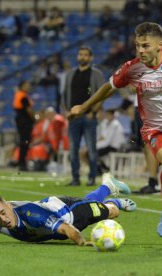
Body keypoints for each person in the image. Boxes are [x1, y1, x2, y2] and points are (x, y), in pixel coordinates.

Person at [68, 22, 162, 246]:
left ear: (159, 45)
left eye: (145, 45)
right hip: (155, 129)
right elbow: (108, 87)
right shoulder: (132, 68)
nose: (140, 50)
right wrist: (84, 107)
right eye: (137, 46)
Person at [0, 173, 135, 245]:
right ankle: (108, 185)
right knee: (90, 201)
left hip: (70, 212)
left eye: (2, 212)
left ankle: (115, 202)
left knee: (110, 212)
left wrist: (81, 241)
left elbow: (66, 229)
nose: (3, 219)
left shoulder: (31, 215)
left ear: (7, 203)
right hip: (60, 221)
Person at [62, 46, 105, 186]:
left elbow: (102, 94)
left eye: (86, 55)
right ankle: (75, 178)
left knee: (91, 149)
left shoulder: (96, 74)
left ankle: (92, 178)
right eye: (80, 54)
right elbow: (64, 95)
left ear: (90, 58)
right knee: (73, 150)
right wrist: (66, 112)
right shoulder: (70, 74)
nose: (82, 57)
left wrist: (93, 112)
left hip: (88, 117)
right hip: (73, 118)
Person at [13, 80, 35, 172]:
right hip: (25, 122)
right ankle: (22, 163)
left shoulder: (19, 95)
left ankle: (21, 162)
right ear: (22, 86)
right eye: (27, 85)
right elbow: (29, 110)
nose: (29, 87)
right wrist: (35, 118)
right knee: (25, 142)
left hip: (21, 121)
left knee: (23, 142)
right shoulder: (23, 96)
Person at [96, 109, 126, 174]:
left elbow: (107, 141)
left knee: (94, 154)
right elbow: (103, 137)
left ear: (112, 115)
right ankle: (104, 169)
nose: (106, 117)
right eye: (106, 115)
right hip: (110, 146)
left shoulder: (115, 124)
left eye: (108, 115)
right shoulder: (107, 124)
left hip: (116, 147)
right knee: (94, 153)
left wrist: (95, 146)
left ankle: (105, 169)